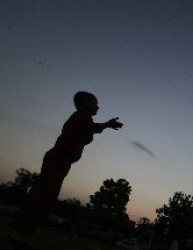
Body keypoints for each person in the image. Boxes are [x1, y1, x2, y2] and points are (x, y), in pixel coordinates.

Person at [9, 91, 123, 249]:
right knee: (45, 197)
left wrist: (106, 125)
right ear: (85, 103)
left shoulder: (81, 119)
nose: (98, 106)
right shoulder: (82, 116)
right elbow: (93, 128)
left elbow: (89, 131)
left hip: (60, 158)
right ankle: (20, 238)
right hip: (60, 158)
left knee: (40, 195)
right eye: (95, 102)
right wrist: (108, 125)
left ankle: (18, 235)